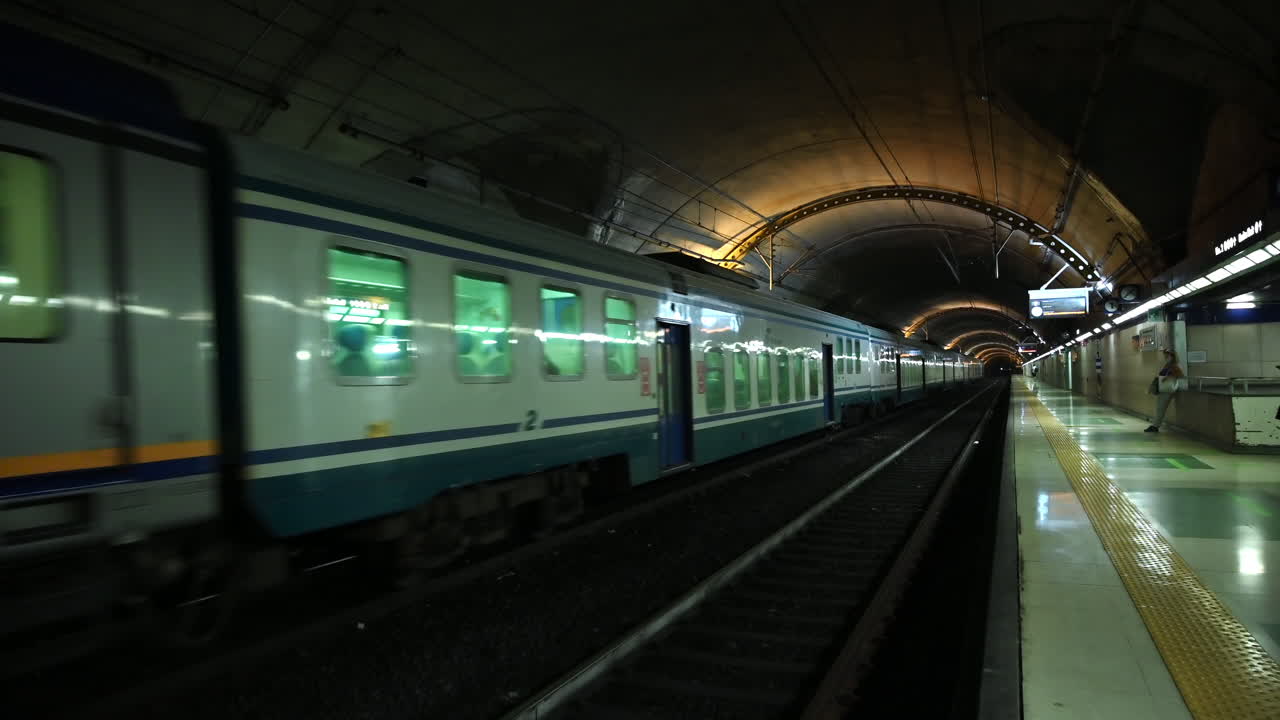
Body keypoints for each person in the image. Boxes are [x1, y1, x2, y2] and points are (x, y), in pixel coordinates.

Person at [1145, 349, 1184, 432]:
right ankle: (1155, 425)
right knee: (1159, 408)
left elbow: (1181, 375)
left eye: (1166, 355)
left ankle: (1155, 426)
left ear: (1171, 356)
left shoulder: (1174, 365)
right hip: (1164, 388)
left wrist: (1169, 376)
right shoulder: (1168, 365)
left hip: (1167, 389)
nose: (1165, 357)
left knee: (1160, 408)